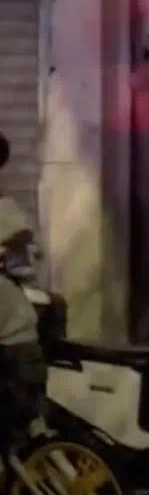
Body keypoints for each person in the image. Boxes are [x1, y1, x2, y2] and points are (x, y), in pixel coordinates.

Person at [0, 134, 46, 433]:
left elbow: (26, 258)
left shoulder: (8, 215)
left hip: (13, 346)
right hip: (15, 339)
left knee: (22, 434)